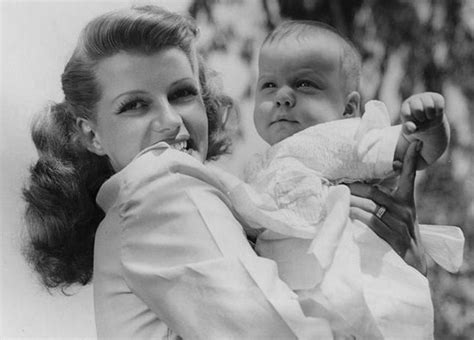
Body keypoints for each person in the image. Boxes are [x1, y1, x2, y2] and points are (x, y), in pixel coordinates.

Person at [22, 7, 436, 339]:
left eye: (183, 94)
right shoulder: (162, 187)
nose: (170, 121)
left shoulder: (159, 207)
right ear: (91, 134)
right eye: (134, 105)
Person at [204, 20, 464, 339]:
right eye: (269, 85)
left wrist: (430, 125)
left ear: (349, 108)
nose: (283, 96)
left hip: (356, 285)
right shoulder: (259, 168)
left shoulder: (337, 138)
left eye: (304, 84)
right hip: (299, 301)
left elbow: (415, 152)